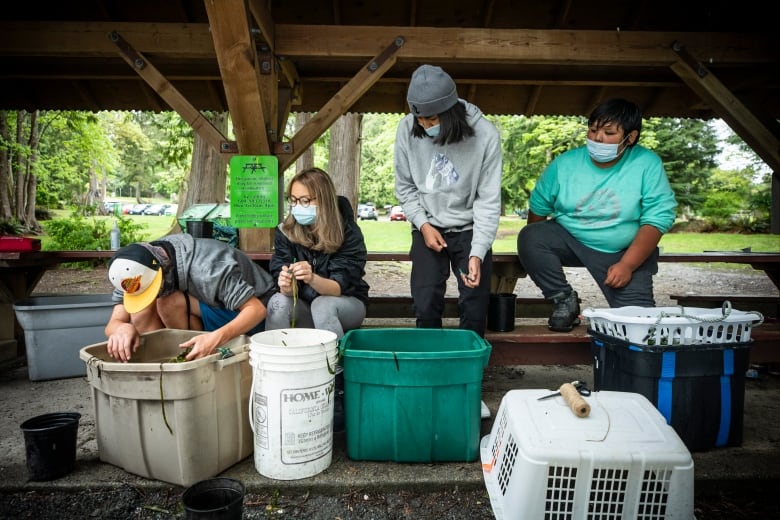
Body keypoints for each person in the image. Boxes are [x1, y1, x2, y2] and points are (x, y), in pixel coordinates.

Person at [517, 98, 678, 332]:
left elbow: (657, 218)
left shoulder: (647, 163)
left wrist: (627, 265)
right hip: (571, 239)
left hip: (625, 250)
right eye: (592, 130)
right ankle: (564, 299)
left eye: (608, 132)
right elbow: (539, 209)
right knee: (531, 236)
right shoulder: (565, 163)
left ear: (630, 137)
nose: (597, 138)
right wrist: (534, 258)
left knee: (640, 326)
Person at [394, 64, 502, 337]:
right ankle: (431, 366)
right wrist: (423, 225)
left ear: (450, 112)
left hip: (470, 228)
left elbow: (488, 200)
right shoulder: (407, 129)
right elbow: (405, 188)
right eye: (420, 120)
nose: (425, 127)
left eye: (431, 121)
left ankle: (469, 371)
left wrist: (477, 252)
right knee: (426, 298)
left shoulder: (486, 135)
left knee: (474, 302)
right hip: (428, 226)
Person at [105, 233, 276, 361]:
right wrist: (121, 329)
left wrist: (214, 339)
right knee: (140, 312)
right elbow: (113, 323)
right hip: (207, 305)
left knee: (167, 301)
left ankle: (199, 355)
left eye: (152, 289)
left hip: (254, 312)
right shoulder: (131, 271)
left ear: (163, 269)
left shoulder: (208, 268)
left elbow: (256, 310)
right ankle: (173, 360)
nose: (150, 296)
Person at [265, 167, 370, 338]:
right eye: (293, 200)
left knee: (323, 305)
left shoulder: (348, 232)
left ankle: (335, 363)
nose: (298, 206)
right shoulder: (285, 231)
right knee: (278, 302)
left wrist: (311, 278)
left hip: (345, 305)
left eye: (305, 201)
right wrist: (286, 286)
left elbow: (339, 287)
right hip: (304, 307)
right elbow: (283, 275)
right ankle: (275, 361)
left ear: (323, 200)